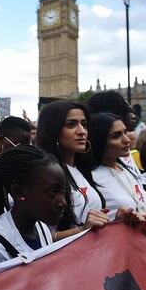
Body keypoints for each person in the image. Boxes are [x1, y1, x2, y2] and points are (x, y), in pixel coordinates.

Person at [0, 144, 66, 272]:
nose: (63, 202)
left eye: (63, 191)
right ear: (19, 193)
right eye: (52, 192)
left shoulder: (41, 229)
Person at [36, 100, 109, 239]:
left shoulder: (81, 170)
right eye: (71, 125)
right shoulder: (43, 175)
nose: (82, 131)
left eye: (84, 124)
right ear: (53, 130)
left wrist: (119, 219)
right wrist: (81, 230)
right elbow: (37, 238)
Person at [88, 113, 146, 233]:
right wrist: (118, 221)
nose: (126, 140)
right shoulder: (91, 178)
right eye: (116, 136)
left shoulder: (127, 170)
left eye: (125, 133)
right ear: (99, 140)